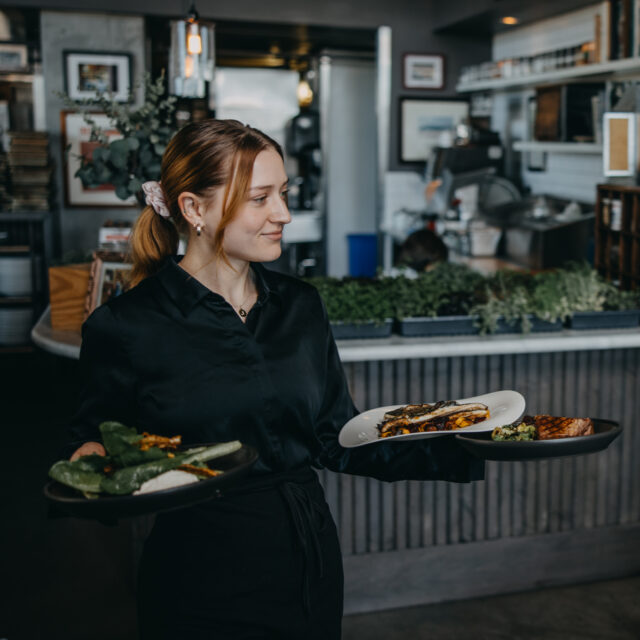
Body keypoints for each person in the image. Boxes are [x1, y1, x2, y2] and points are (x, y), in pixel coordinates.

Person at [68, 119, 483, 639]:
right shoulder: (127, 325)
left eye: (283, 194)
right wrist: (90, 465)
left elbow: (337, 438)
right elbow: (95, 443)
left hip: (309, 566)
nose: (283, 214)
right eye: (260, 198)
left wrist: (470, 439)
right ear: (194, 209)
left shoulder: (301, 306)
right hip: (199, 576)